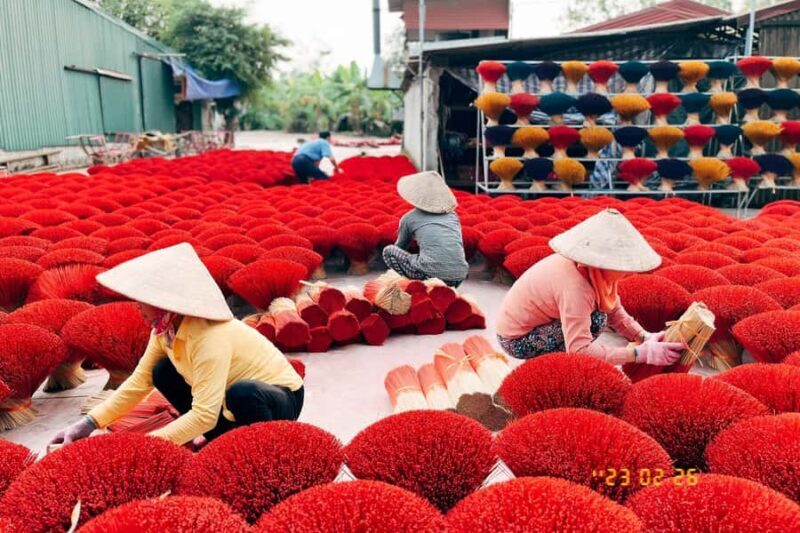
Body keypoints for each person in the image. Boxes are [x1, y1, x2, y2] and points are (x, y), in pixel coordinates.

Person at [50, 243, 304, 447]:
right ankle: (221, 439)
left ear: (165, 301)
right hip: (225, 404)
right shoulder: (165, 330)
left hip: (278, 398)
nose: (136, 306)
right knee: (161, 371)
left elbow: (204, 414)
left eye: (143, 299)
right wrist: (89, 423)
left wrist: (151, 445)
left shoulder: (209, 337)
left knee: (242, 393)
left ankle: (263, 446)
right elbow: (140, 381)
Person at [496, 208, 685, 365]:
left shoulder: (595, 272)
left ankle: (555, 366)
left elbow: (614, 310)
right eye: (622, 265)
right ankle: (550, 368)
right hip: (516, 340)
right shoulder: (576, 287)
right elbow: (581, 350)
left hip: (537, 326)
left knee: (599, 316)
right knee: (596, 322)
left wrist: (644, 337)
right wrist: (637, 355)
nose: (628, 272)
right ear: (604, 262)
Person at [382, 171, 469, 287]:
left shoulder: (409, 218)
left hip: (429, 275)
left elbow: (400, 246)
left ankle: (416, 286)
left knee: (389, 251)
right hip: (458, 276)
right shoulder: (452, 215)